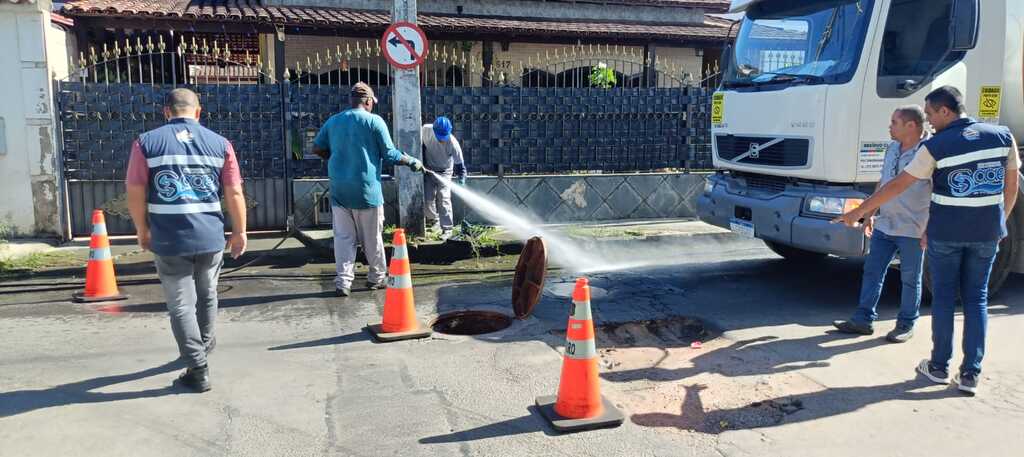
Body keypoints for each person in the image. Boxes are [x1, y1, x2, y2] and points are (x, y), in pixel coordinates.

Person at [834, 86, 1020, 395]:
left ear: (946, 111)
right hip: (986, 233)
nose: (929, 122)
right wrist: (999, 222)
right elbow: (1010, 186)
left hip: (946, 234)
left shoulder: (936, 146)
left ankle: (938, 367)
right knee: (976, 299)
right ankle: (970, 374)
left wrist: (858, 212)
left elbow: (898, 185)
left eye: (931, 114)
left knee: (944, 298)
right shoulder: (1002, 136)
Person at [125, 88, 248, 393]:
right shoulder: (220, 144)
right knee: (207, 294)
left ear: (166, 112)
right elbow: (234, 192)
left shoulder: (146, 143)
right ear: (198, 111)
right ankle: (202, 346)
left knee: (181, 304)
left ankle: (198, 368)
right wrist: (240, 231)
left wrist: (142, 229)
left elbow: (135, 190)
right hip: (210, 235)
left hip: (169, 238)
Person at [312, 82, 424, 297]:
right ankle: (376, 278)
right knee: (372, 238)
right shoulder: (374, 121)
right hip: (367, 191)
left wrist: (336, 158)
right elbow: (390, 154)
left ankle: (343, 282)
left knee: (343, 239)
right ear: (368, 101)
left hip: (339, 191)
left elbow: (317, 147)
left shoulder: (334, 121)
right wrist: (410, 161)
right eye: (373, 102)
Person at [833, 106, 931, 343]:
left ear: (911, 126)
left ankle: (906, 324)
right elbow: (885, 181)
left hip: (913, 228)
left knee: (910, 278)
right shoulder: (892, 147)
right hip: (885, 224)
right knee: (872, 271)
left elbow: (938, 192)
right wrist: (870, 213)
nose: (889, 126)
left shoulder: (929, 152)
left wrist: (930, 228)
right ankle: (863, 319)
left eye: (894, 122)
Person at [421, 116, 467, 240]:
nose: (442, 139)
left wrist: (461, 179)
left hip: (445, 172)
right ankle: (434, 221)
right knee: (427, 198)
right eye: (440, 136)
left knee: (443, 198)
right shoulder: (426, 130)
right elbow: (419, 144)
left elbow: (460, 165)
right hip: (429, 169)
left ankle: (447, 229)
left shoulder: (453, 143)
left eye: (444, 136)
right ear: (434, 131)